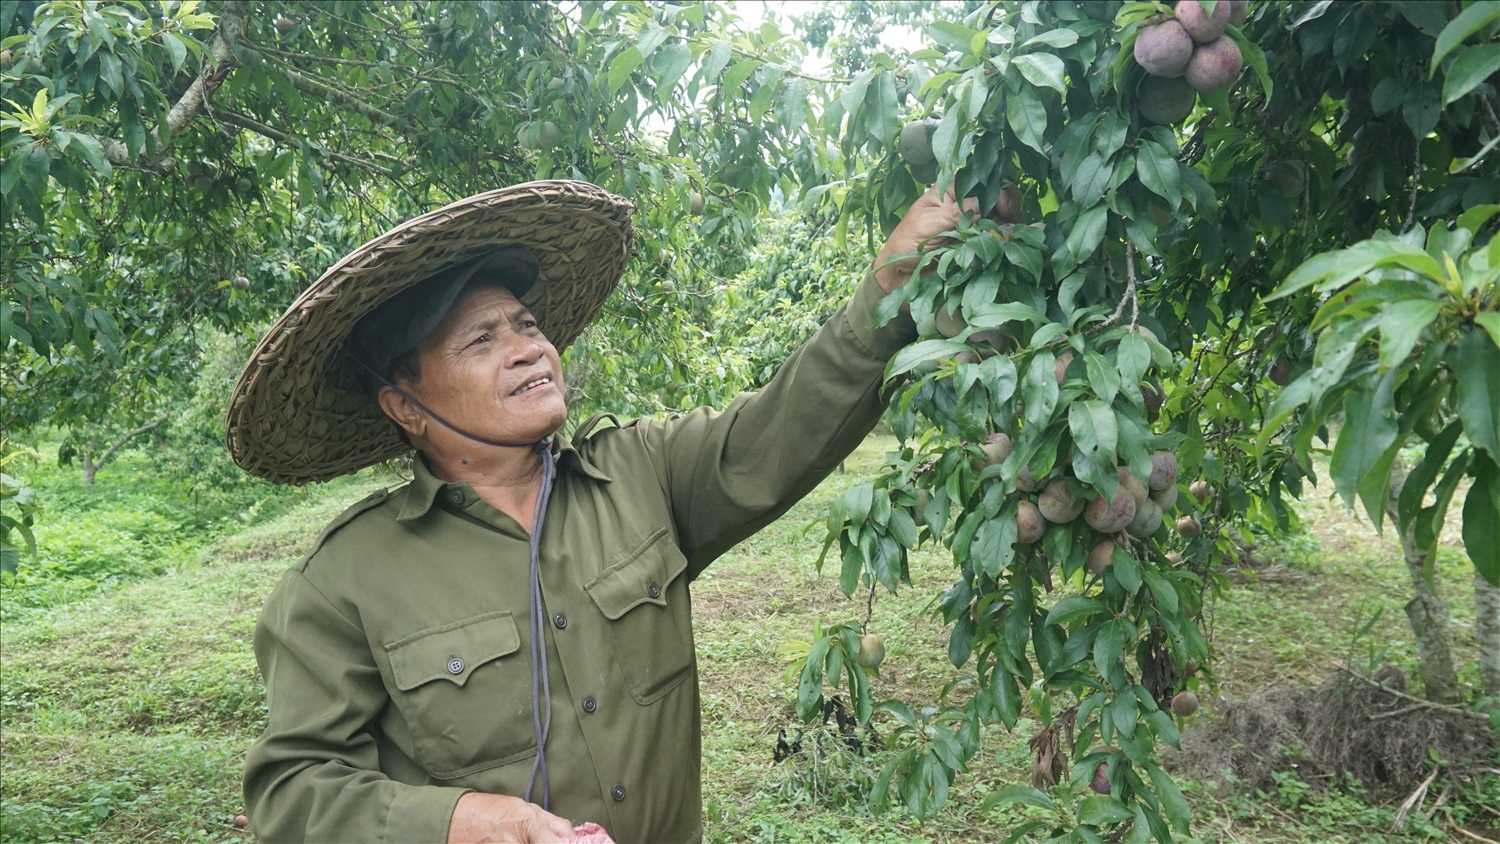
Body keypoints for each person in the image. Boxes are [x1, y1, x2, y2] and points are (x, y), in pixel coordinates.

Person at [229, 179, 1020, 843]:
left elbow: (779, 430)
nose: (530, 348)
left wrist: (885, 288)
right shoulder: (343, 583)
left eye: (528, 326)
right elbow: (293, 792)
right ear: (405, 406)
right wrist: (466, 819)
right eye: (481, 341)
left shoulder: (641, 473)